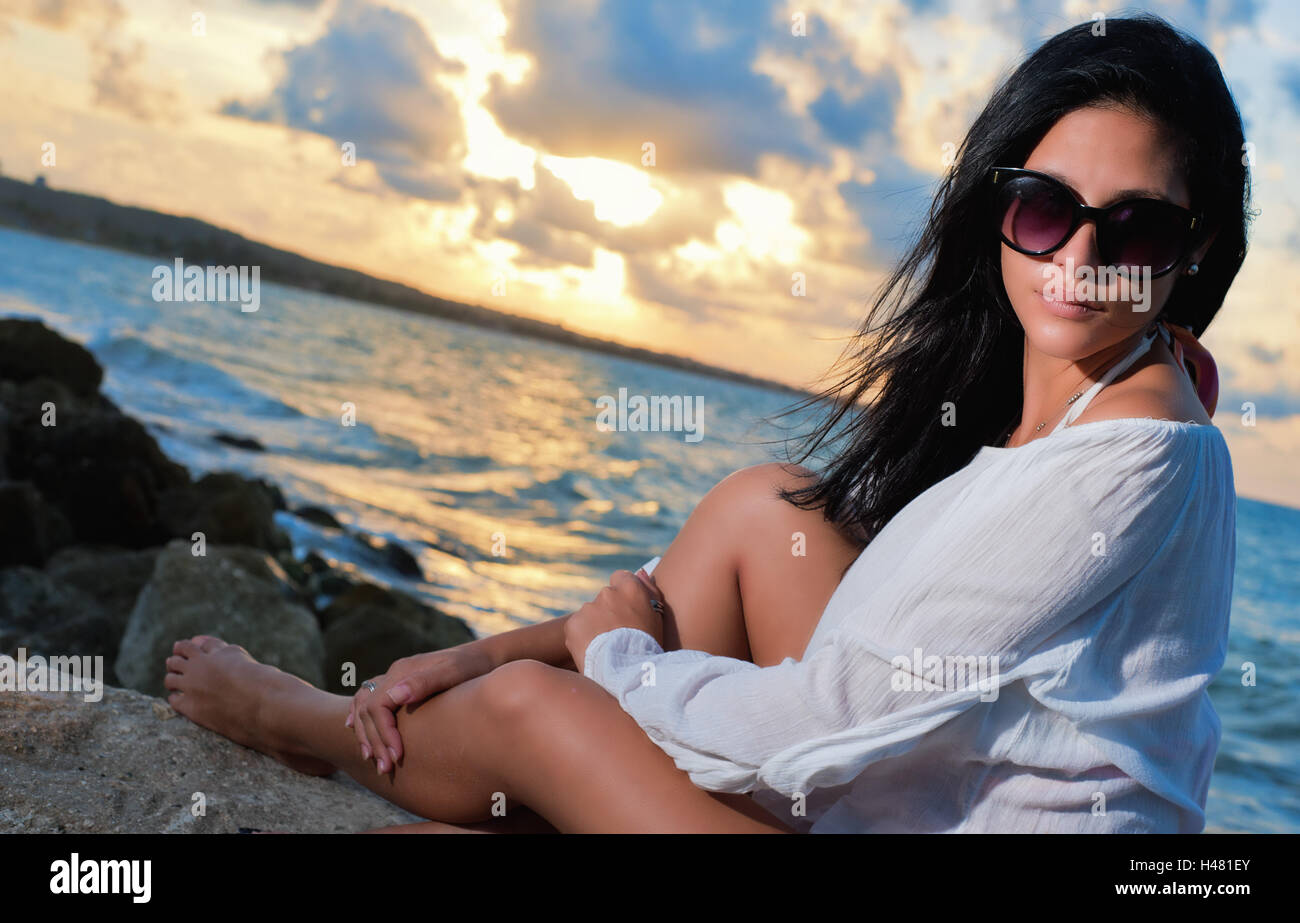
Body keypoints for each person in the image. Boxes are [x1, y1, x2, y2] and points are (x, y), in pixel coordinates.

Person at [164, 14, 1248, 833]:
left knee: (540, 711)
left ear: (1194, 248)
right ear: (1000, 204)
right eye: (1046, 207)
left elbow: (829, 716)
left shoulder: (1132, 451)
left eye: (1136, 227)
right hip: (917, 795)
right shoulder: (1130, 387)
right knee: (761, 507)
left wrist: (618, 662)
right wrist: (499, 642)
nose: (1075, 260)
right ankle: (472, 699)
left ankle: (301, 725)